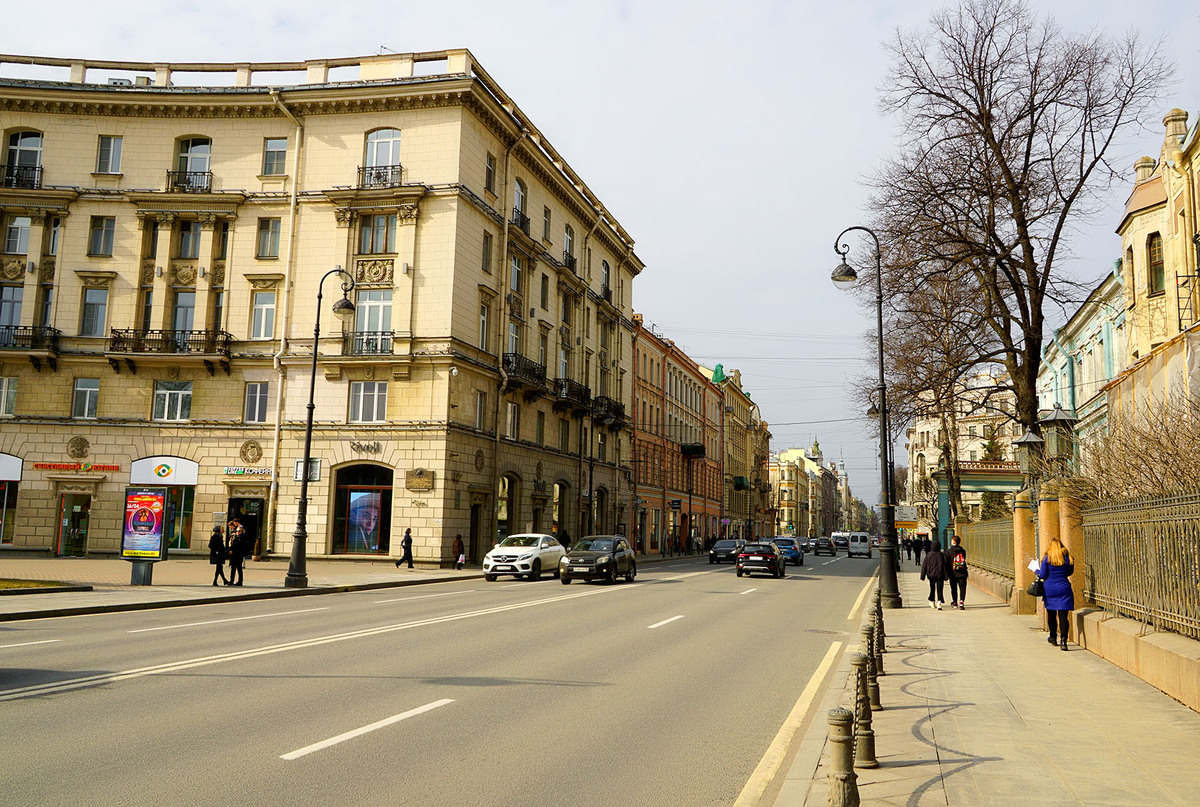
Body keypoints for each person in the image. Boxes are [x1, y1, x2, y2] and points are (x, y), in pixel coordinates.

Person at [1037, 536, 1075, 650]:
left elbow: (1043, 575)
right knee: (1063, 615)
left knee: (1051, 614)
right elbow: (1070, 572)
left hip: (1050, 588)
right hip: (1064, 587)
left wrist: (1036, 570)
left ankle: (1053, 637)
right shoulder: (1068, 558)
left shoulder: (1047, 558)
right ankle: (1064, 640)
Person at [920, 538, 947, 609]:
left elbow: (924, 566)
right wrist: (946, 576)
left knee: (932, 588)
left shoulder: (929, 555)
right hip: (940, 575)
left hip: (931, 575)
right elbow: (945, 566)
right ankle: (939, 602)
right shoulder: (941, 555)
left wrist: (923, 576)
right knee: (940, 588)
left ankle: (932, 601)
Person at [944, 534, 969, 609]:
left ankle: (954, 602)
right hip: (962, 572)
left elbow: (946, 563)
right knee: (962, 588)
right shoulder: (962, 551)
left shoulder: (948, 551)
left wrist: (946, 573)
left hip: (953, 573)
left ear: (953, 542)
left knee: (953, 588)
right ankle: (961, 601)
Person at [226, 519, 247, 586]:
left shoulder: (242, 538)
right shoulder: (236, 537)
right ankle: (231, 580)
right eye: (237, 531)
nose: (237, 532)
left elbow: (242, 547)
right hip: (234, 555)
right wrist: (230, 550)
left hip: (239, 555)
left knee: (239, 568)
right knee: (233, 568)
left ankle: (240, 581)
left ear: (242, 531)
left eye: (239, 531)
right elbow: (232, 544)